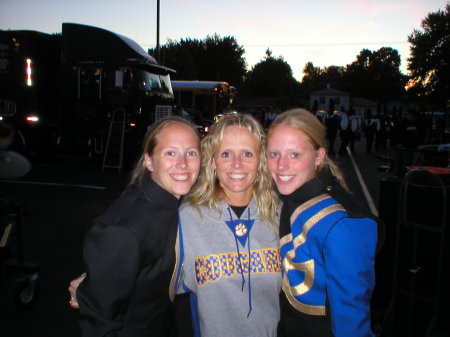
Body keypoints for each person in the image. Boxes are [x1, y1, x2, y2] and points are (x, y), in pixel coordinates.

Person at [70, 116, 201, 337]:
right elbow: (99, 326)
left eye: (191, 153)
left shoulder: (172, 204)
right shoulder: (120, 230)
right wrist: (90, 288)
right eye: (170, 152)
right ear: (148, 161)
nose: (183, 163)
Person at [266, 108, 380, 337]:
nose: (281, 165)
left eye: (295, 155)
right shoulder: (288, 198)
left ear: (319, 157)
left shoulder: (340, 224)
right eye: (274, 154)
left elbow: (352, 321)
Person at [172, 113, 282, 337]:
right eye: (226, 154)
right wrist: (98, 277)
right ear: (213, 162)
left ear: (260, 161)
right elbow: (150, 267)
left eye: (247, 154)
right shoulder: (187, 218)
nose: (237, 164)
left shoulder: (281, 215)